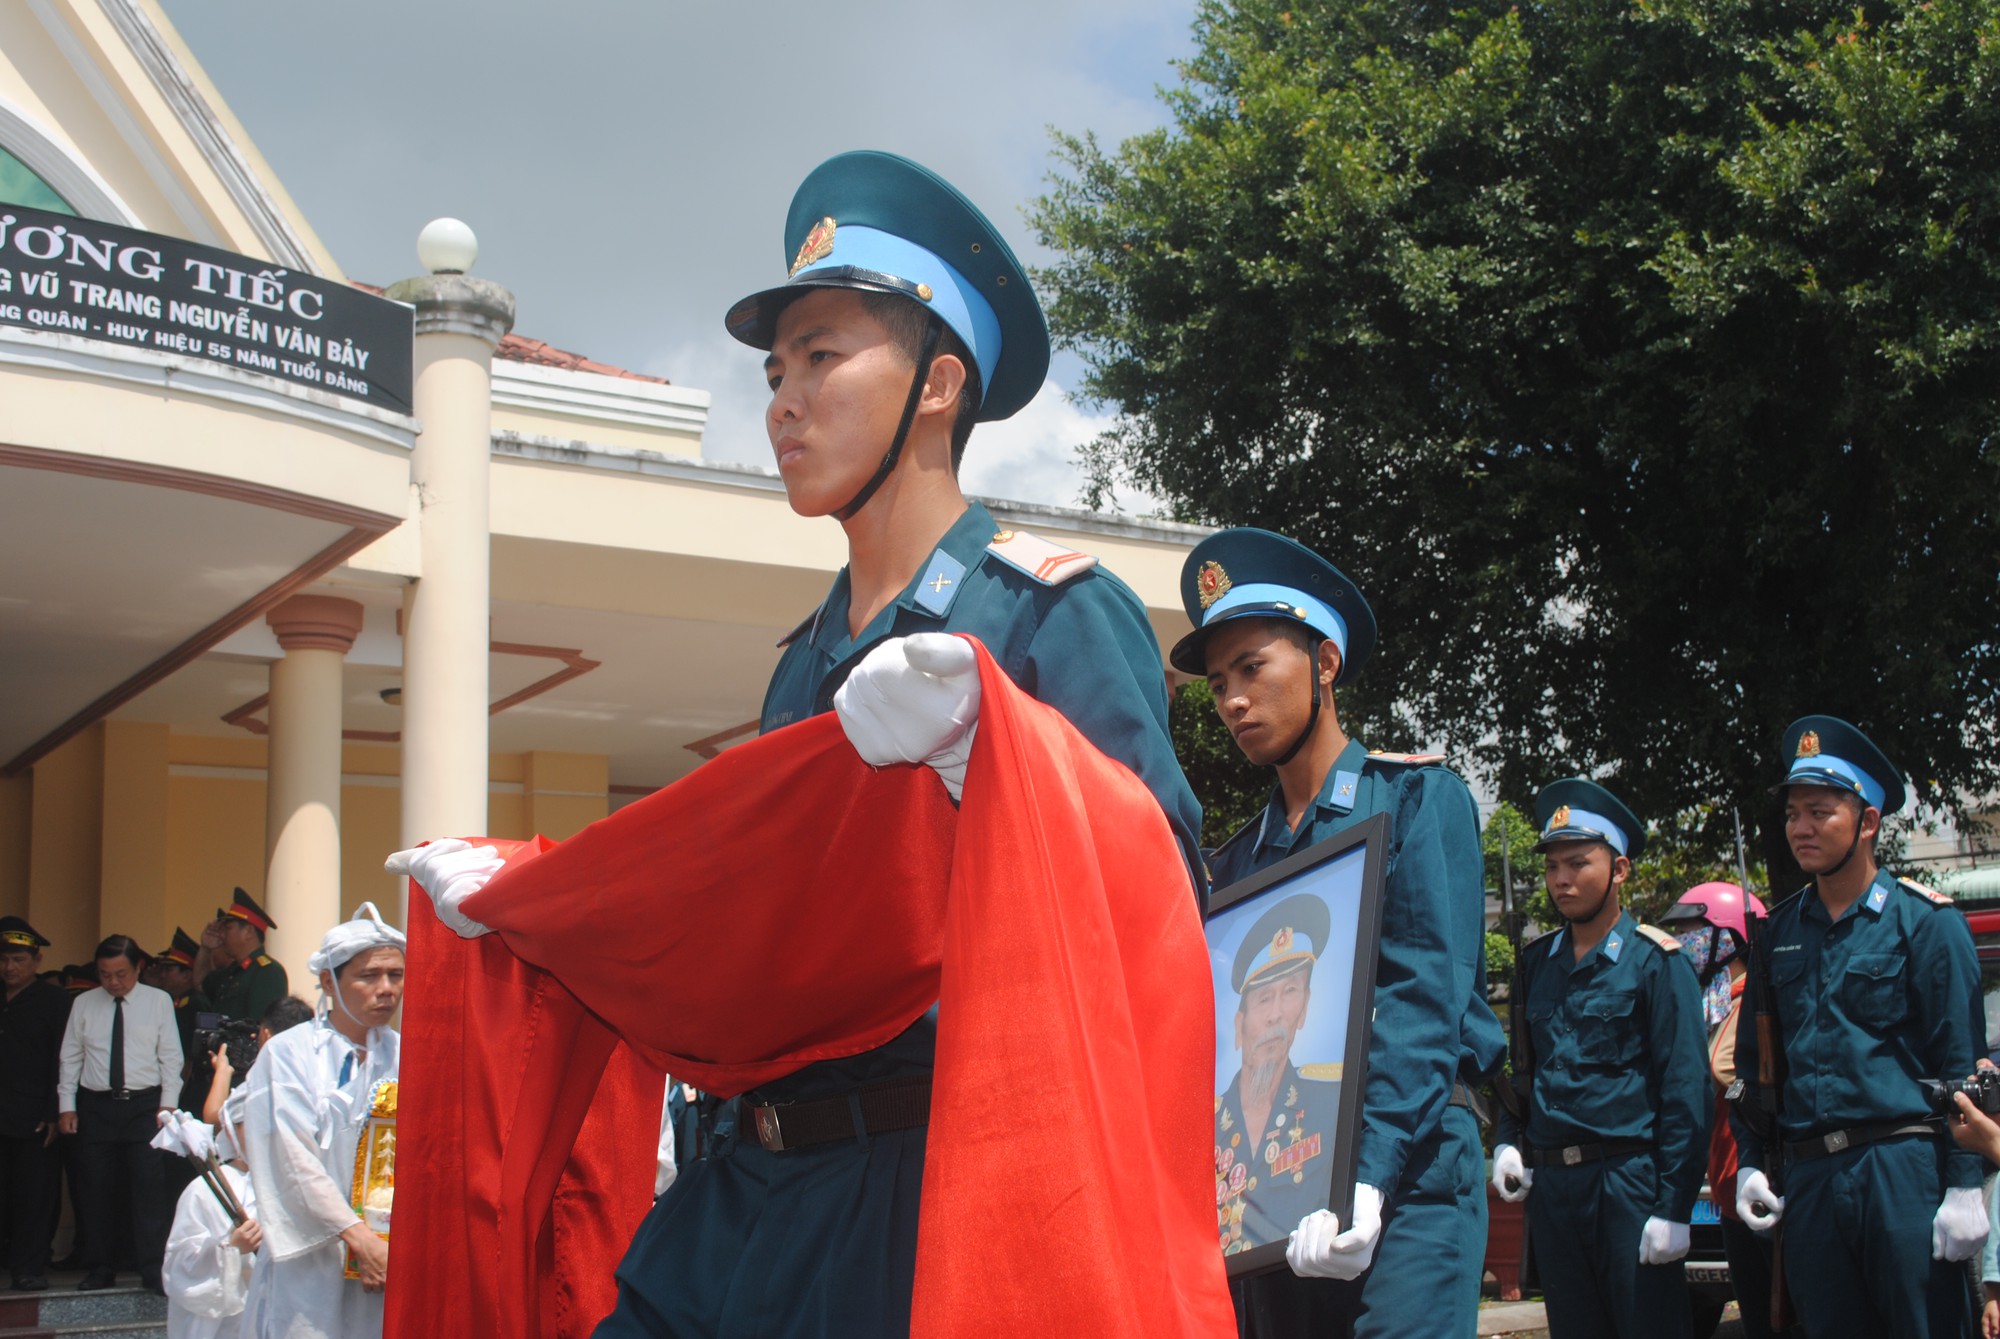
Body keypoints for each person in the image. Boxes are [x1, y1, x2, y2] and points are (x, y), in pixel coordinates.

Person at [395, 150, 1207, 1338]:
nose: (778, 399)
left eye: (822, 357)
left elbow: (1165, 898)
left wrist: (1001, 752)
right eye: (775, 370)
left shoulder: (1046, 612)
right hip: (742, 1183)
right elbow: (751, 909)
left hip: (918, 1189)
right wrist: (535, 902)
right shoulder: (805, 654)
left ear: (936, 385)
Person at [1175, 527, 1503, 1337]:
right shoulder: (1238, 859)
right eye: (1218, 684)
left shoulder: (1416, 800)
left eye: (1253, 667)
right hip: (1280, 1187)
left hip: (1412, 1169)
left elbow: (1425, 998)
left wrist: (1370, 1176)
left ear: (1324, 663)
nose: (1233, 702)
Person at [1731, 715, 1985, 1338]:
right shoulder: (1779, 933)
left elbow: (1961, 1063)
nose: (1801, 828)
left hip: (1900, 1168)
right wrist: (1750, 1162)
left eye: (1820, 811)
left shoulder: (1925, 924)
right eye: (1793, 813)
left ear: (1868, 821)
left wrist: (1964, 1186)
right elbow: (1753, 1067)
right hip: (1812, 1175)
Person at [1492, 778, 1709, 1339]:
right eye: (1553, 867)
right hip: (1556, 1190)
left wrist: (1675, 1206)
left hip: (1628, 1181)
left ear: (1619, 870)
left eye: (1578, 863)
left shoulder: (1657, 963)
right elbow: (1522, 1072)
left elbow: (1685, 1091)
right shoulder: (1536, 964)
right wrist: (1508, 1142)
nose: (1562, 879)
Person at [237, 905, 402, 1339]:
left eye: (396, 975)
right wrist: (358, 1238)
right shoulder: (289, 1054)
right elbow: (291, 1159)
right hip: (314, 1256)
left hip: (389, 1258)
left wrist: (384, 1243)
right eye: (369, 976)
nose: (386, 989)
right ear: (330, 980)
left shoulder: (408, 1054)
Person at [1656, 883, 1794, 1339]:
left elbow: (1726, 1071)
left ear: (1730, 937)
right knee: (1757, 1321)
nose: (1683, 941)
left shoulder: (1758, 1000)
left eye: (1694, 930)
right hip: (1727, 1192)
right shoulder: (1708, 1007)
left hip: (1766, 1188)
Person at [1213, 893, 1341, 1258]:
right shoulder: (1202, 1125)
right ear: (1240, 1025)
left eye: (1289, 992)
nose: (1276, 1015)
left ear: (1304, 1009)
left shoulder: (1330, 1102)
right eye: (1263, 998)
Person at [57, 934, 184, 1293]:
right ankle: (100, 1266)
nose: (113, 981)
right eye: (105, 974)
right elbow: (70, 1056)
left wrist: (168, 1104)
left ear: (138, 968)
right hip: (96, 1107)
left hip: (145, 1107)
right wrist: (67, 1105)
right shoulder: (84, 1003)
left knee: (149, 1190)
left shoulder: (158, 1001)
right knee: (95, 1190)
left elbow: (170, 1057)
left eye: (121, 974)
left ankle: (152, 1269)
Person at [0, 916, 70, 1290]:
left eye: (18, 960)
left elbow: (64, 1059)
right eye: (4, 959)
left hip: (35, 1116)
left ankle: (28, 1267)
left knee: (34, 1195)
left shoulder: (55, 1000)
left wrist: (54, 1111)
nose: (9, 967)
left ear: (36, 960)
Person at [162, 1115, 261, 1339]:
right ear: (232, 1130)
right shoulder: (203, 1189)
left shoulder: (289, 1185)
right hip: (224, 1321)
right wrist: (228, 1248)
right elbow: (180, 1261)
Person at [201, 892, 286, 1029]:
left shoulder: (267, 972)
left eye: (227, 928)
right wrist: (205, 949)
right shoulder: (233, 971)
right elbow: (200, 982)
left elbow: (263, 1028)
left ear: (247, 931)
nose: (222, 935)